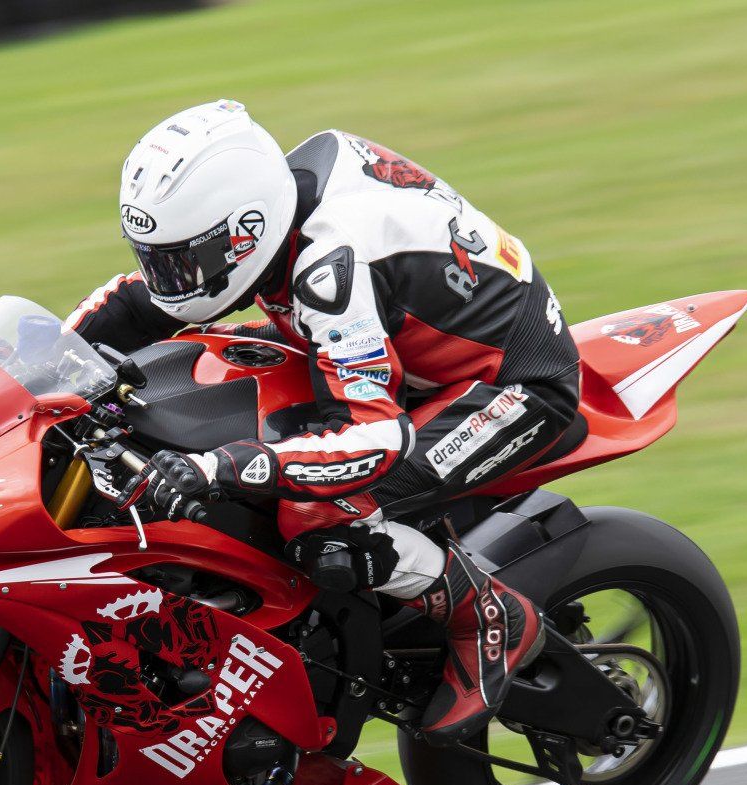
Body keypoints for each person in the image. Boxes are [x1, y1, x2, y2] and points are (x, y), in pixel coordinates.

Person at [66, 99, 580, 743]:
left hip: (506, 384)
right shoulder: (267, 208)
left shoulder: (329, 265)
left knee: (315, 515)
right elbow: (134, 307)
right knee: (175, 381)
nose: (171, 279)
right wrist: (27, 374)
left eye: (182, 261)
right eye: (158, 258)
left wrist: (218, 468)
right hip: (378, 346)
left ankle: (488, 615)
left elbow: (378, 438)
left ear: (246, 230)